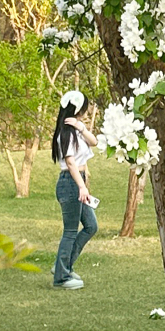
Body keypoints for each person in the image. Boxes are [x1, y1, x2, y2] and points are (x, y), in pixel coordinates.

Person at [50, 92, 98, 291]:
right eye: (84, 108)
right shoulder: (66, 134)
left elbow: (94, 142)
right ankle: (61, 277)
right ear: (78, 109)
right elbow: (70, 163)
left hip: (77, 181)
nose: (86, 111)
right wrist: (82, 186)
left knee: (91, 226)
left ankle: (63, 267)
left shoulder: (76, 130)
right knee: (70, 231)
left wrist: (82, 127)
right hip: (71, 182)